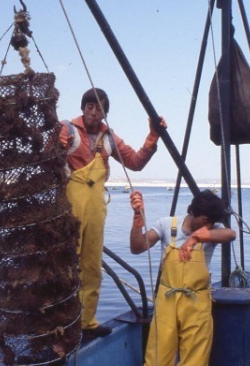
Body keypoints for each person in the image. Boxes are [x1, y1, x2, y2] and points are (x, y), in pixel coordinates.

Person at [59, 87, 167, 341]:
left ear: (105, 112)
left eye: (99, 108)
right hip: (68, 204)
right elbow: (50, 156)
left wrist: (153, 136)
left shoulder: (109, 139)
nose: (94, 112)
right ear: (82, 108)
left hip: (96, 205)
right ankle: (61, 324)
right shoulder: (68, 129)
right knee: (66, 265)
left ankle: (87, 322)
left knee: (92, 264)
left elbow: (136, 162)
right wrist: (57, 145)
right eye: (90, 107)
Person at [129, 189, 236, 366]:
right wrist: (137, 223)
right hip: (167, 300)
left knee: (196, 358)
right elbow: (137, 247)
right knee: (157, 357)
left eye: (212, 223)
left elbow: (230, 235)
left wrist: (197, 237)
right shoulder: (166, 225)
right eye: (205, 221)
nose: (207, 226)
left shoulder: (212, 231)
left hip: (197, 302)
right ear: (192, 211)